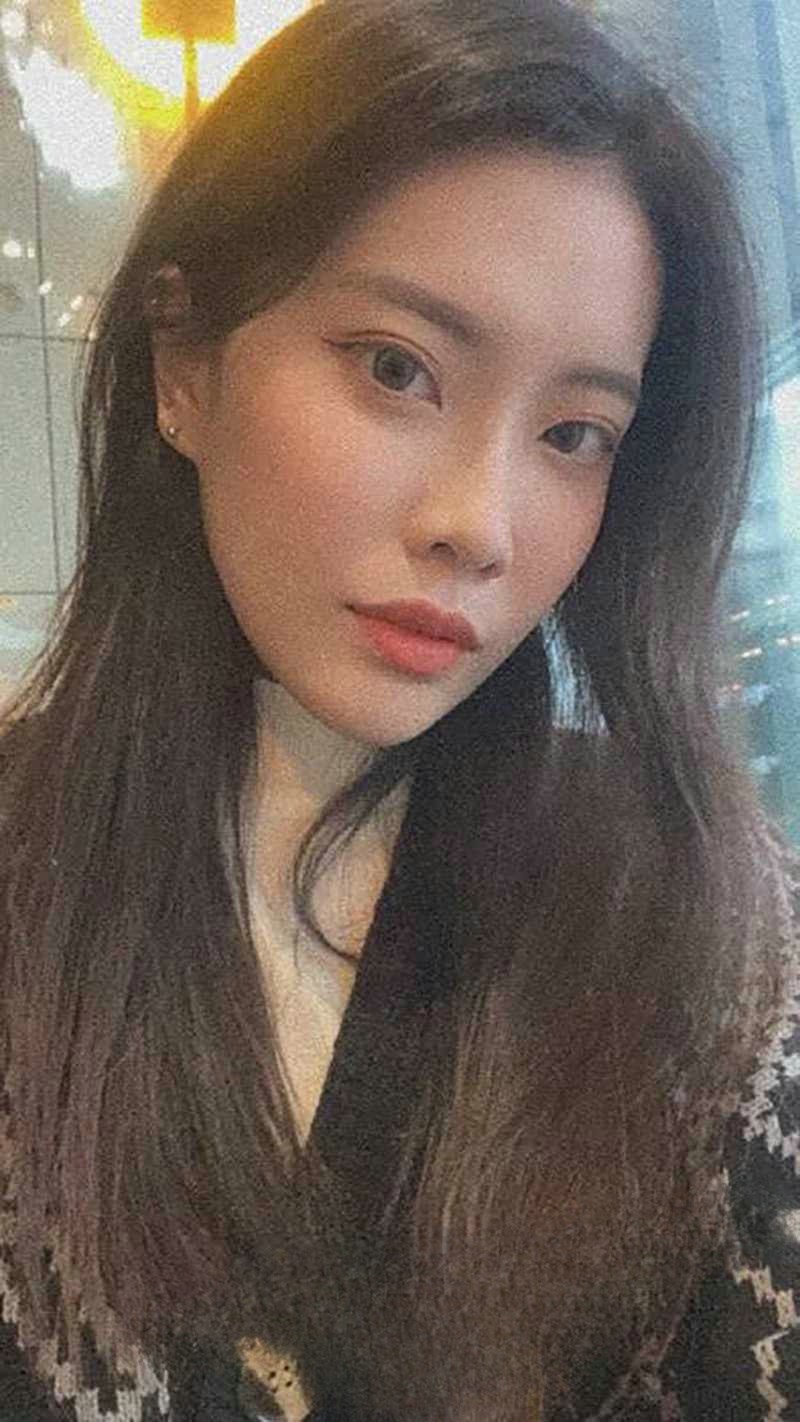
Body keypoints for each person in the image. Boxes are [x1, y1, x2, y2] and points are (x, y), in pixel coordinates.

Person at [1, 0, 799, 1417]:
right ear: (183, 361)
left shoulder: (714, 935)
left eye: (574, 434)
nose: (479, 524)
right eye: (395, 367)